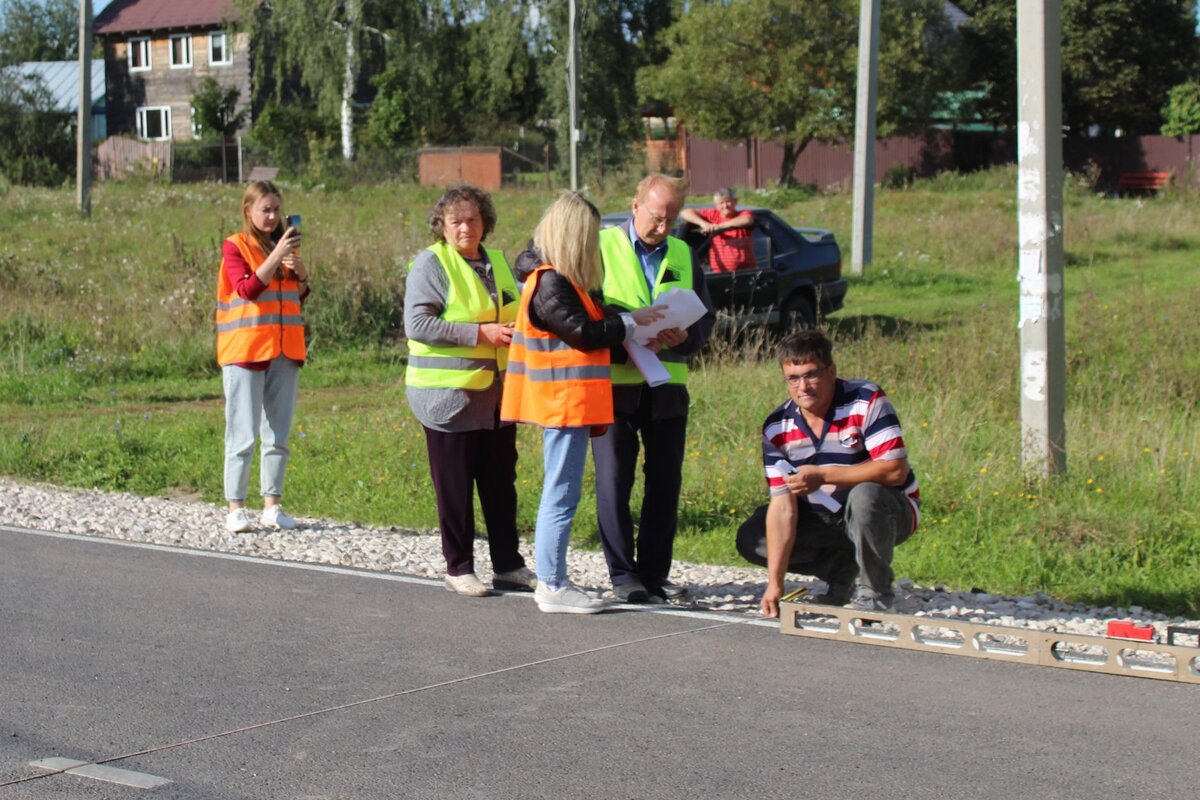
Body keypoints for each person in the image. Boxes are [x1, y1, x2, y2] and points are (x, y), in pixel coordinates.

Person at [503, 192, 664, 614]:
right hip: (563, 402)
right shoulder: (552, 281)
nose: (595, 243)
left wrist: (627, 321)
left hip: (569, 402)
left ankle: (553, 581)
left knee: (562, 491)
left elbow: (590, 322)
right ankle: (553, 584)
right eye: (590, 234)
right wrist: (629, 324)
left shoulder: (560, 281)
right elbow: (584, 333)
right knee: (561, 492)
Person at [404, 182, 536, 597]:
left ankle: (508, 565)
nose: (466, 228)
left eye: (473, 219)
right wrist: (481, 333)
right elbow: (419, 325)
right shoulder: (431, 264)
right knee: (455, 487)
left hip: (496, 397)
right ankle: (458, 566)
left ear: (486, 222)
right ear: (441, 226)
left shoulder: (497, 261)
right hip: (447, 397)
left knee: (501, 484)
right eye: (456, 221)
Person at [592, 173, 716, 603]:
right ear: (635, 205)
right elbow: (585, 314)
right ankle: (624, 576)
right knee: (614, 482)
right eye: (656, 217)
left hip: (668, 390)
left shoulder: (683, 251)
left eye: (670, 219)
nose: (662, 227)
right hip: (616, 388)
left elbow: (704, 317)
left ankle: (654, 573)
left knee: (665, 485)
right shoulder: (601, 248)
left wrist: (688, 337)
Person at [736, 329, 920, 618]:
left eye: (811, 375)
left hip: (888, 510)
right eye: (793, 379)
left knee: (864, 495)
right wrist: (775, 583)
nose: (803, 387)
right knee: (753, 536)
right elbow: (783, 507)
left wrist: (823, 475)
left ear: (831, 371)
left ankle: (876, 594)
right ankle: (842, 571)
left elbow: (895, 470)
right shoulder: (777, 427)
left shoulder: (865, 399)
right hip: (824, 517)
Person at [217, 180, 310, 533]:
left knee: (278, 433)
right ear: (248, 211)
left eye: (276, 210)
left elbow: (297, 296)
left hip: (285, 350)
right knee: (242, 433)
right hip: (246, 350)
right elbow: (248, 289)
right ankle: (236, 508)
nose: (272, 217)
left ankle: (272, 505)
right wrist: (275, 256)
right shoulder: (235, 246)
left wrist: (300, 271)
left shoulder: (282, 247)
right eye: (265, 210)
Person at [679, 187, 756, 272]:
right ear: (716, 205)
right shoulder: (713, 215)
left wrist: (719, 227)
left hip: (746, 272)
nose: (725, 206)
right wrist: (703, 224)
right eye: (721, 203)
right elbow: (685, 213)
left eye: (728, 201)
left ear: (735, 202)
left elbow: (747, 219)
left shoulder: (743, 214)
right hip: (719, 273)